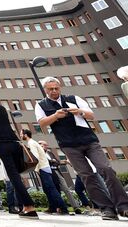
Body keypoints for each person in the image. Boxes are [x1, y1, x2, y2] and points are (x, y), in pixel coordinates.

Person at [35, 76, 128, 220]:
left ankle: (123, 206)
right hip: (69, 146)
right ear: (45, 90)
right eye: (50, 89)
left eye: (56, 88)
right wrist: (55, 115)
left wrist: (79, 111)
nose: (54, 91)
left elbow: (91, 115)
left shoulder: (74, 98)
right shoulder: (41, 105)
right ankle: (107, 209)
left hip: (89, 141)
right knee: (87, 176)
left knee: (106, 169)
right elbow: (42, 123)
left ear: (60, 87)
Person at [0, 88, 38, 219]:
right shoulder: (1, 108)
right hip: (14, 142)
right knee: (16, 176)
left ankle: (29, 207)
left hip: (2, 144)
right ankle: (24, 206)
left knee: (14, 177)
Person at [20, 129, 69, 215]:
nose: (20, 136)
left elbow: (36, 158)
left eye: (21, 134)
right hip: (44, 167)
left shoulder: (31, 143)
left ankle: (63, 208)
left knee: (51, 189)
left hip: (42, 168)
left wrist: (36, 170)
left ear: (25, 135)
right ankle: (52, 208)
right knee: (47, 190)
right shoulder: (32, 142)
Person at [38, 140, 82, 214]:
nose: (45, 146)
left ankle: (76, 207)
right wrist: (52, 161)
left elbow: (57, 162)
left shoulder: (50, 153)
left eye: (45, 145)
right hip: (47, 173)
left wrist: (53, 162)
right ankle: (57, 207)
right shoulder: (39, 154)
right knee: (53, 190)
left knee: (66, 189)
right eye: (43, 145)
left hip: (56, 172)